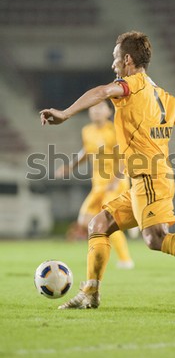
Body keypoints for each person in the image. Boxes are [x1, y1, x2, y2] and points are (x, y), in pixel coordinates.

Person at [40, 30, 175, 310]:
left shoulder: (131, 86)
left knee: (156, 239)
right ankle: (90, 294)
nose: (113, 64)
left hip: (151, 178)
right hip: (142, 180)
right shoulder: (165, 97)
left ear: (127, 59)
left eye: (115, 57)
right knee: (99, 224)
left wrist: (65, 113)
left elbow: (103, 91)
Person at [55, 101, 134, 269]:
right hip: (98, 186)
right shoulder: (87, 131)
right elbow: (86, 151)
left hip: (116, 184)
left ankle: (125, 259)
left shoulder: (115, 130)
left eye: (100, 108)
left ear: (108, 111)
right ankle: (130, 219)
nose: (96, 111)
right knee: (84, 220)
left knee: (106, 219)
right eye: (93, 108)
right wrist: (70, 166)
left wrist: (115, 181)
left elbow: (124, 158)